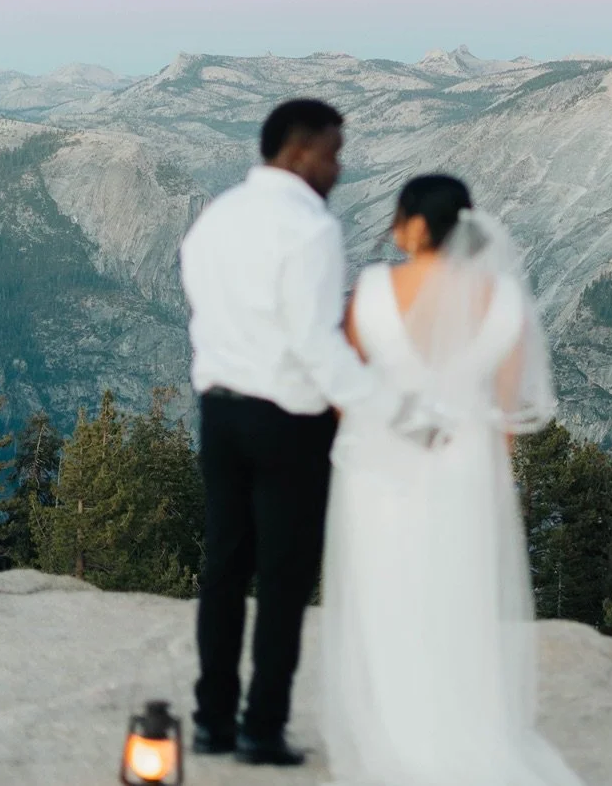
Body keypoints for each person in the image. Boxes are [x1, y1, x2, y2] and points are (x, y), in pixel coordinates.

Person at [319, 174, 586, 786]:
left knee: (387, 590)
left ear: (415, 226)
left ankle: (395, 731)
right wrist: (489, 470)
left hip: (383, 466)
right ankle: (463, 727)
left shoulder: (375, 291)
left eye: (398, 215)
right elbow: (508, 410)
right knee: (458, 593)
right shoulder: (504, 300)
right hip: (467, 464)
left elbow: (346, 384)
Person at [179, 98, 377, 766]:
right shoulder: (310, 229)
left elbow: (200, 300)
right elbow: (317, 344)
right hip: (288, 420)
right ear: (299, 151)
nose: (339, 167)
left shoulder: (217, 214)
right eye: (333, 152)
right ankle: (261, 729)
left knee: (224, 568)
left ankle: (211, 721)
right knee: (284, 579)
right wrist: (377, 405)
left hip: (219, 411)